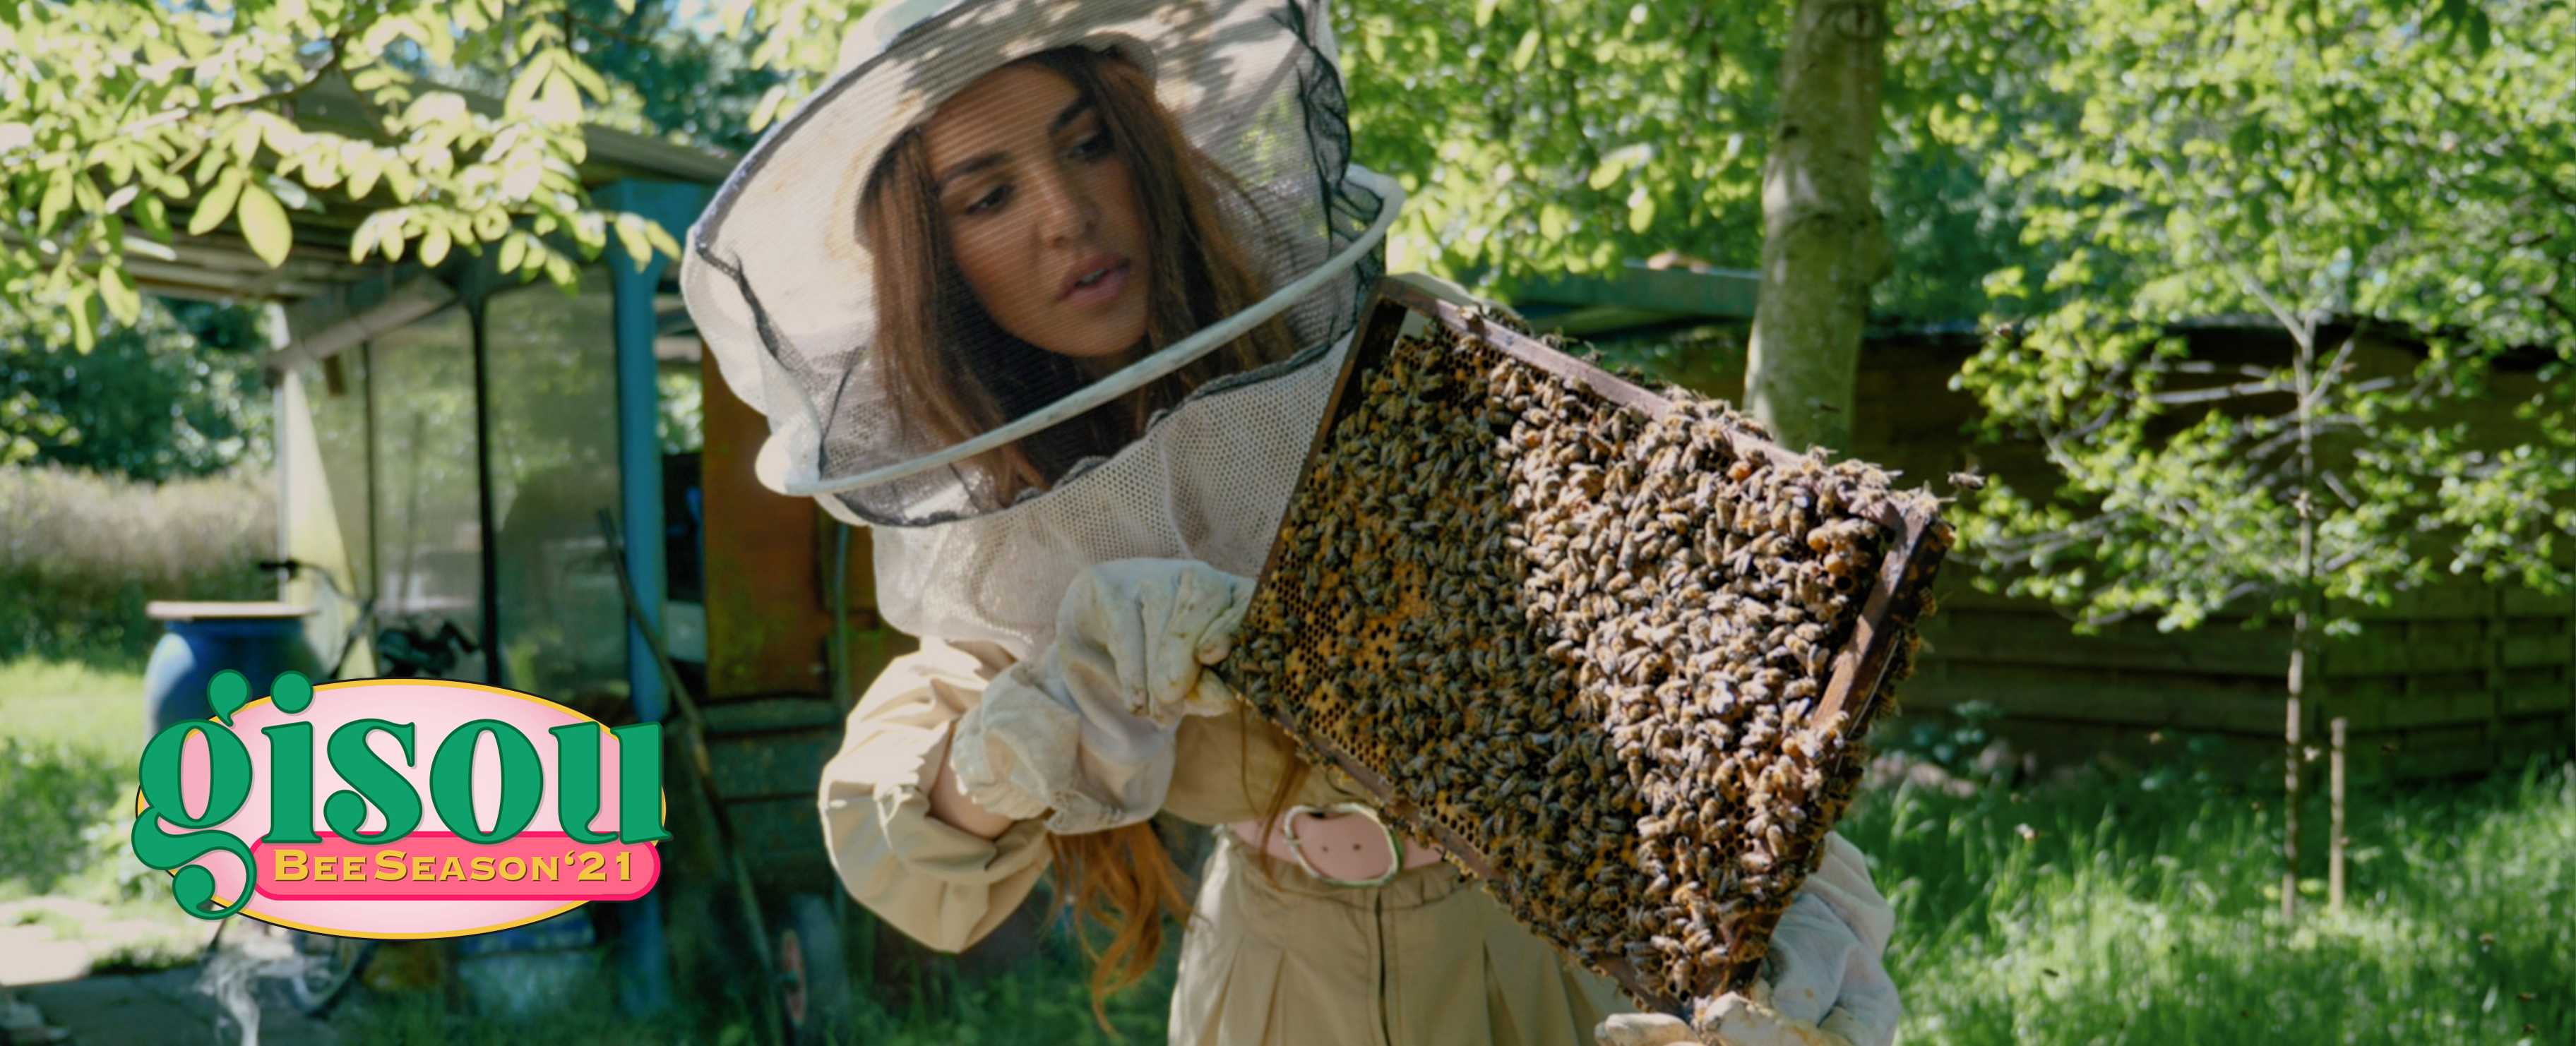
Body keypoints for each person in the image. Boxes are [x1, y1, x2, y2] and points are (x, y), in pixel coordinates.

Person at [677, 1, 1903, 1043]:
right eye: (989, 194)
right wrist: (1019, 741)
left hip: (1547, 940)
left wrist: (1784, 910)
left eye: (1090, 145)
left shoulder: (1401, 363)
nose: (1066, 214)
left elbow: (1666, 659)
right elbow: (890, 818)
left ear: (1147, 152)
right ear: (936, 261)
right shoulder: (1004, 526)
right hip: (1272, 975)